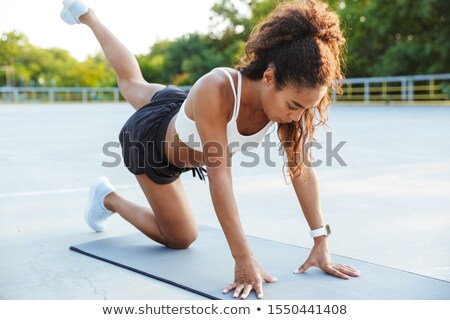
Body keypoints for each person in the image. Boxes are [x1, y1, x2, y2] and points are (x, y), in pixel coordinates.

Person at [60, 0, 360, 300]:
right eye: (294, 106)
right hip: (152, 146)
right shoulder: (218, 88)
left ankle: (86, 14)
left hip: (180, 111)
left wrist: (320, 239)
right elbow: (220, 177)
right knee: (181, 237)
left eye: (305, 108)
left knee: (132, 83)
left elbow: (302, 170)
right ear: (269, 78)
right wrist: (242, 257)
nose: (297, 116)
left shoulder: (291, 106)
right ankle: (107, 198)